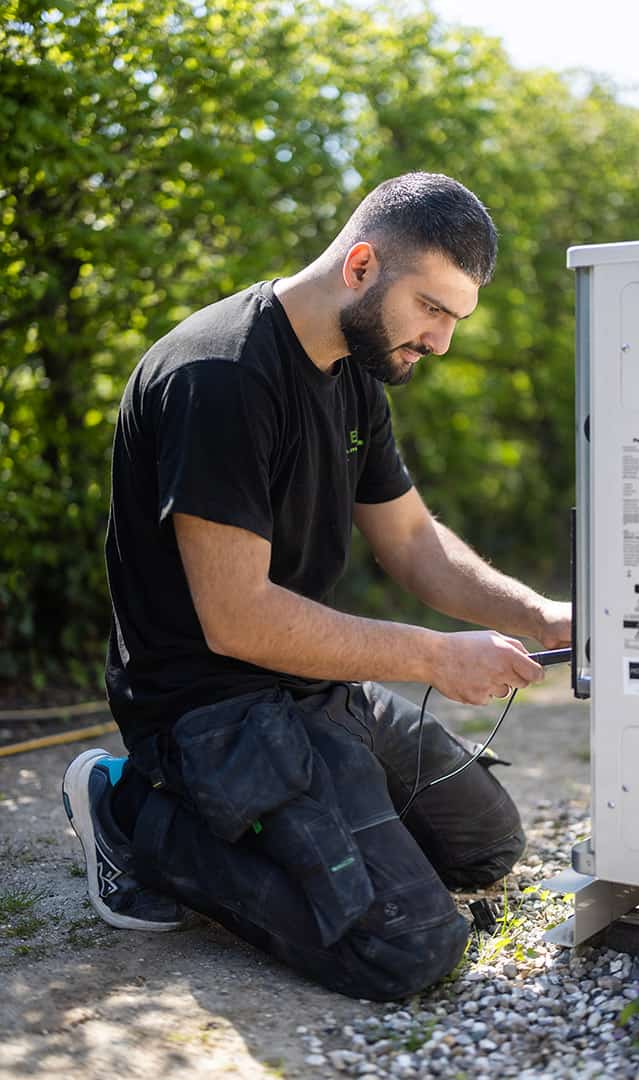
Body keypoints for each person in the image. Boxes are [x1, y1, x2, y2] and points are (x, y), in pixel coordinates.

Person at [63, 172, 570, 1001]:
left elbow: (411, 542)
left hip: (314, 687)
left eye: (454, 318)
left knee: (485, 849)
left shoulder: (357, 373)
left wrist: (539, 614)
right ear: (363, 265)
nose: (440, 341)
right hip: (210, 711)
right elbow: (236, 620)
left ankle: (304, 826)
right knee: (407, 948)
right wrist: (436, 657)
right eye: (432, 310)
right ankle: (131, 814)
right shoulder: (219, 375)